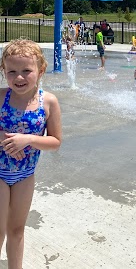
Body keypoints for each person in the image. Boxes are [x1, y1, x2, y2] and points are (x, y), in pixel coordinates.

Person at [0, 39, 62, 269]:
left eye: (26, 70)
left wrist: (28, 140)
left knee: (16, 230)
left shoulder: (48, 103)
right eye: (12, 71)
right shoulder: (0, 97)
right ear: (3, 71)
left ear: (41, 70)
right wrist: (6, 139)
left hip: (25, 175)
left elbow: (55, 141)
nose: (19, 77)